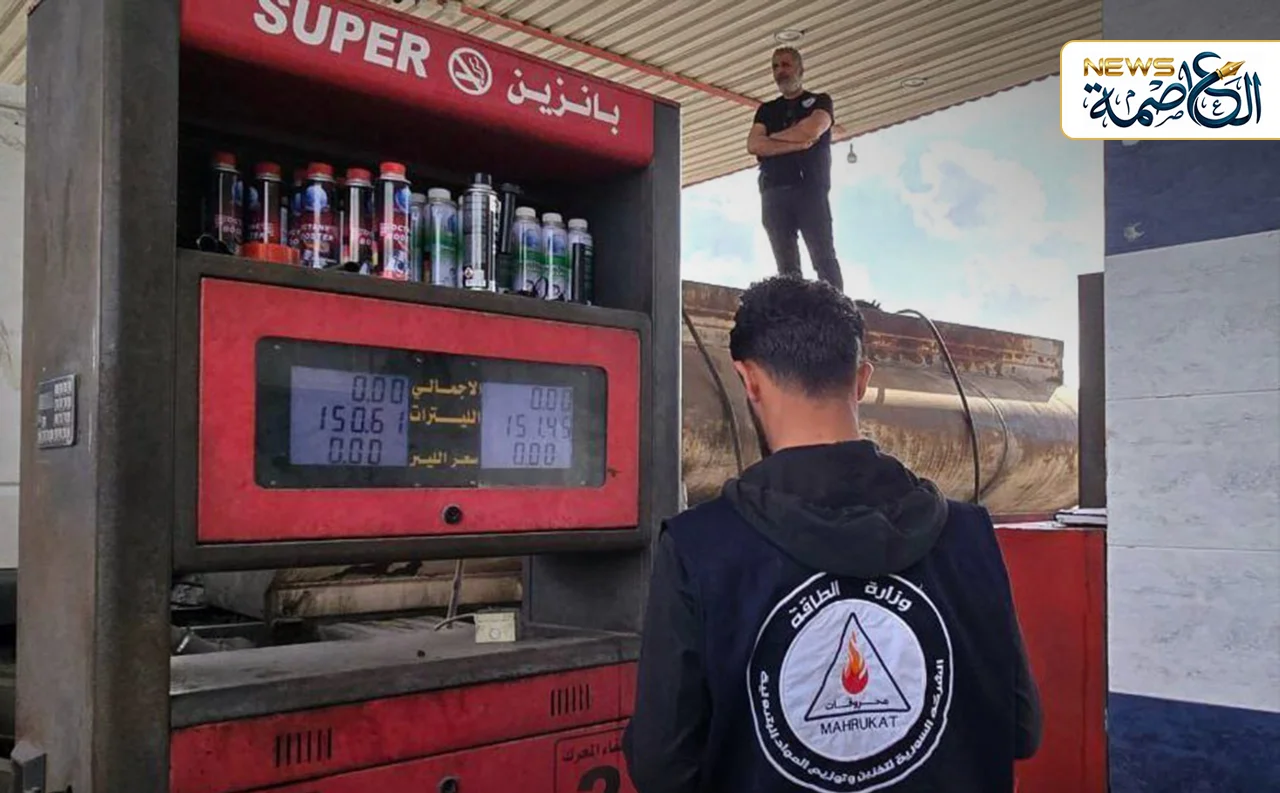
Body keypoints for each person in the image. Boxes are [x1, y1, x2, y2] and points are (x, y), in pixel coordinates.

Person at [622, 277, 1042, 792]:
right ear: (862, 380)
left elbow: (663, 767)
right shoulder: (969, 536)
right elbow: (1021, 730)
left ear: (748, 380)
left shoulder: (699, 549)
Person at [746, 47, 843, 291]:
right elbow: (754, 144)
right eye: (775, 66)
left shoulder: (820, 101)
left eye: (786, 65)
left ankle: (835, 307)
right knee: (786, 267)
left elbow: (811, 130)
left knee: (823, 257)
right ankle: (793, 309)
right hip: (774, 192)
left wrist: (772, 140)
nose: (780, 71)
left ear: (800, 69)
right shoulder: (766, 110)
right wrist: (796, 143)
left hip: (810, 189)